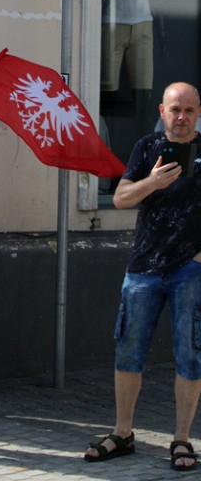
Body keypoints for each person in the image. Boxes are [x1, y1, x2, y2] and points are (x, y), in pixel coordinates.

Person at [84, 82, 201, 471]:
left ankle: (182, 439)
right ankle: (123, 432)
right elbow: (120, 198)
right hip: (143, 268)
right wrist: (153, 182)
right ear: (161, 110)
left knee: (190, 356)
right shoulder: (146, 148)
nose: (181, 117)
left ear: (198, 112)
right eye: (175, 109)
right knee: (128, 351)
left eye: (188, 110)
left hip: (190, 270)